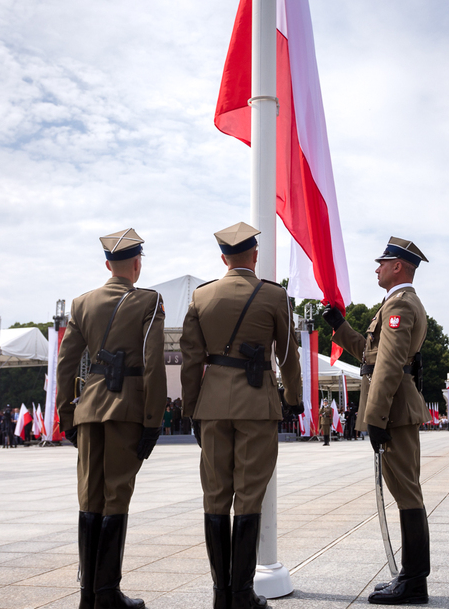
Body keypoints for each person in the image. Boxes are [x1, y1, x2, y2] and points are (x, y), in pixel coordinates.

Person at [180, 222, 303, 609]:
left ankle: (221, 595)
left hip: (213, 405)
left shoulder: (201, 297)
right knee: (249, 496)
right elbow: (288, 354)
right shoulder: (274, 295)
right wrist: (294, 398)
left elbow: (190, 360)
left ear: (223, 258)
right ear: (254, 255)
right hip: (256, 405)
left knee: (215, 497)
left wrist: (191, 410)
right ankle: (242, 594)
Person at [57, 228, 167, 609]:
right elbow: (153, 364)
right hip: (126, 409)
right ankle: (107, 594)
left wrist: (66, 414)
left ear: (108, 266)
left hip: (89, 410)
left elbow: (66, 364)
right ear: (137, 264)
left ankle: (88, 595)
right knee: (116, 497)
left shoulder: (81, 304)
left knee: (90, 498)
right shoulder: (149, 301)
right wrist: (153, 419)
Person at [323, 236, 432, 605]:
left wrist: (376, 417)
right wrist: (340, 326)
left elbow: (389, 365)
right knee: (404, 491)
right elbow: (370, 355)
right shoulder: (394, 303)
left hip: (394, 410)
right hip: (393, 410)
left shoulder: (400, 304)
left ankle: (414, 581)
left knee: (406, 492)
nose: (377, 269)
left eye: (382, 263)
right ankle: (410, 577)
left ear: (397, 266)